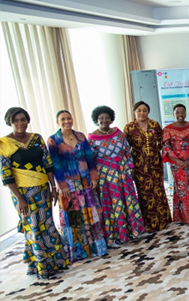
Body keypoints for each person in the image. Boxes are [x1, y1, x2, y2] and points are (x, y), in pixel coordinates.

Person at [0, 107, 69, 279]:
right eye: (16, 120)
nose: (20, 123)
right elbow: (6, 175)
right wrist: (19, 199)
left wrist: (53, 187)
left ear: (28, 120)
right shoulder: (5, 144)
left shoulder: (36, 138)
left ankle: (57, 262)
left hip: (43, 190)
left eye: (23, 119)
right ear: (10, 122)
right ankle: (40, 266)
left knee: (48, 225)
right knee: (33, 227)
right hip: (23, 193)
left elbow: (47, 163)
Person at [47, 110, 108, 261]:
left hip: (86, 181)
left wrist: (94, 177)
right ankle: (78, 251)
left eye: (69, 118)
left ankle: (96, 247)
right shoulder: (53, 140)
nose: (67, 121)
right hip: (68, 184)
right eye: (63, 119)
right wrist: (62, 186)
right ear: (57, 122)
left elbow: (90, 158)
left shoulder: (80, 136)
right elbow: (55, 165)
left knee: (91, 214)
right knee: (73, 218)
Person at [88, 105, 145, 246]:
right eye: (101, 118)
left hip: (123, 173)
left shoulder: (119, 134)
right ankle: (116, 235)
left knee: (129, 200)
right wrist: (94, 178)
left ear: (111, 119)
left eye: (107, 118)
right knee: (113, 204)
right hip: (106, 177)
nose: (104, 121)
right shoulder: (91, 138)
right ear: (96, 120)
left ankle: (134, 231)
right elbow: (91, 160)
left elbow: (127, 151)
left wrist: (130, 168)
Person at [124, 101, 172, 232]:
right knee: (145, 193)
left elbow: (162, 141)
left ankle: (163, 219)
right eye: (139, 110)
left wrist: (157, 147)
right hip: (140, 166)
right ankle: (148, 223)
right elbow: (125, 148)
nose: (142, 113)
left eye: (144, 110)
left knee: (158, 190)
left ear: (148, 112)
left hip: (155, 164)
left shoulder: (154, 124)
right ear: (134, 112)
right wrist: (130, 167)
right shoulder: (129, 128)